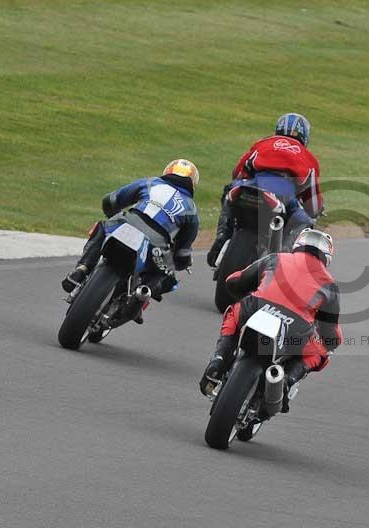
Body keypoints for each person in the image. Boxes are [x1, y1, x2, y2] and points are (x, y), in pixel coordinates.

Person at [200, 229, 342, 411]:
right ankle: (288, 380)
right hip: (295, 327)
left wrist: (242, 291)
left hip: (257, 307)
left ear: (298, 244)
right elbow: (331, 333)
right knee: (319, 351)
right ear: (327, 256)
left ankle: (219, 359)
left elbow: (236, 280)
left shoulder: (277, 258)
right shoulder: (330, 285)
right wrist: (332, 342)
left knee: (234, 312)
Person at [62, 159, 201, 316]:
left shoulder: (150, 183)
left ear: (167, 171)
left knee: (102, 227)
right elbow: (183, 252)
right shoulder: (191, 209)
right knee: (168, 278)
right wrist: (180, 262)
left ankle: (83, 268)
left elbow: (111, 200)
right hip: (156, 245)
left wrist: (112, 216)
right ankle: (140, 299)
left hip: (126, 223)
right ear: (192, 183)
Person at [206, 113, 323, 268]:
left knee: (229, 192)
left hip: (254, 185)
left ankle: (222, 236)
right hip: (283, 195)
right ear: (305, 136)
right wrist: (315, 211)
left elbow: (238, 172)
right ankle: (282, 263)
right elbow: (313, 204)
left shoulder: (262, 143)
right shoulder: (308, 157)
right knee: (304, 220)